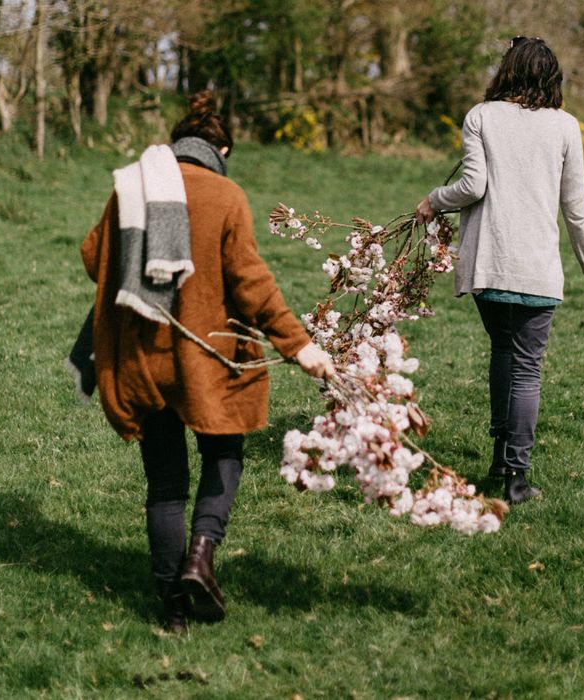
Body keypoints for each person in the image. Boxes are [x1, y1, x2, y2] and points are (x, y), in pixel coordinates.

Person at [80, 91, 334, 633]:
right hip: (205, 359)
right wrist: (298, 343)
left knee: (166, 482)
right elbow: (251, 283)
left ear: (174, 147)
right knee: (225, 451)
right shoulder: (226, 195)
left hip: (142, 361)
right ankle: (201, 557)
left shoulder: (131, 188)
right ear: (221, 147)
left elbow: (91, 254)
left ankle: (172, 611)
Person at [415, 37, 584, 505]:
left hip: (488, 266)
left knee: (503, 350)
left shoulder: (481, 116)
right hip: (536, 269)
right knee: (527, 370)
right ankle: (516, 478)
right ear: (551, 78)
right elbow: (575, 207)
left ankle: (501, 456)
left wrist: (433, 201)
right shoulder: (565, 127)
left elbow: (471, 185)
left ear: (507, 71)